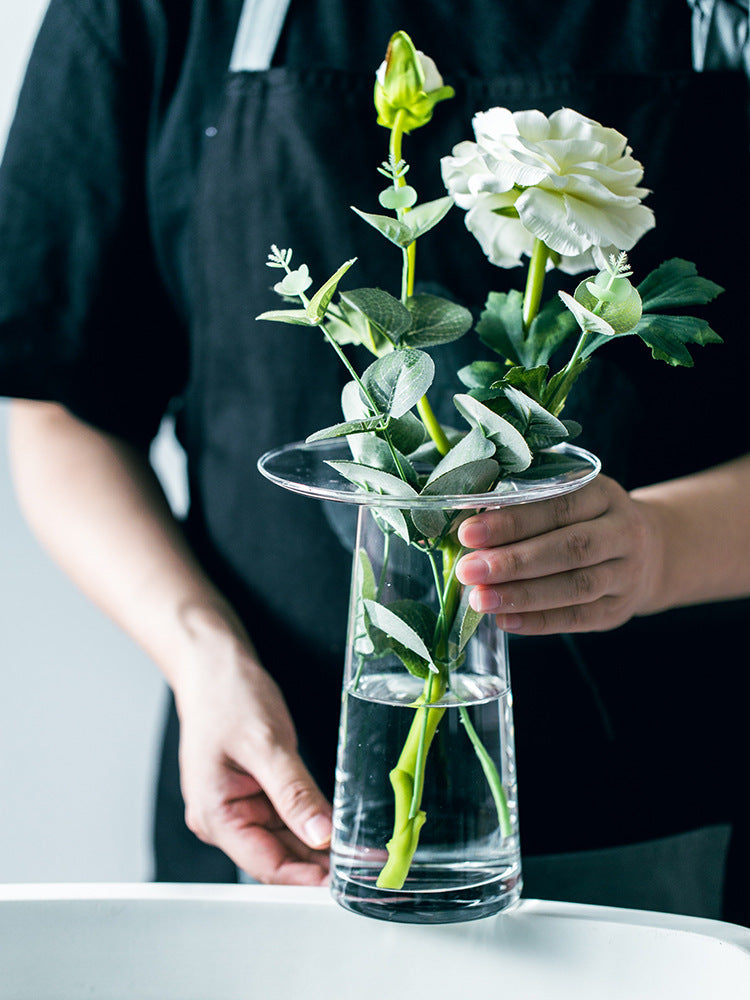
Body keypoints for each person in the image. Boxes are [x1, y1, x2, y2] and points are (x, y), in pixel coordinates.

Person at [2, 0, 749, 921]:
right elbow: (60, 410)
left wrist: (662, 546)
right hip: (285, 802)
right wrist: (202, 658)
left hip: (678, 817)